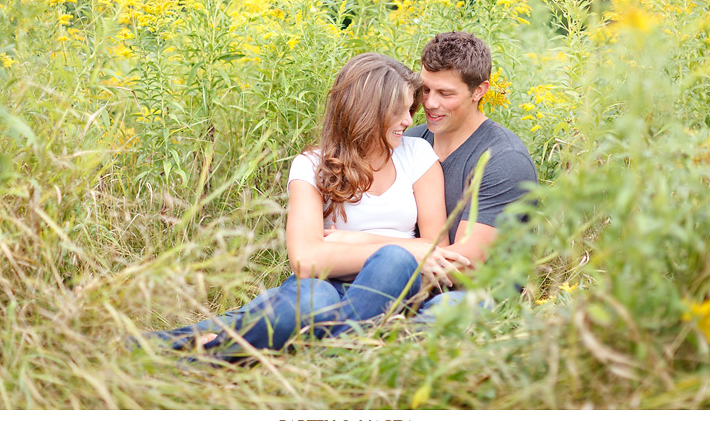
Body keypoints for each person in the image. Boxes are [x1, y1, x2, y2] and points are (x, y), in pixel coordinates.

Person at [130, 52, 470, 361]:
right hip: (324, 283)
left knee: (394, 260)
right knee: (310, 305)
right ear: (367, 110)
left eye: (409, 109)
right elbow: (306, 260)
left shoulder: (417, 156)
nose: (408, 121)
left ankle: (324, 357)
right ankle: (202, 354)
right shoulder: (312, 164)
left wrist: (347, 241)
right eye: (397, 110)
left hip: (393, 283)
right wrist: (402, 245)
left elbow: (434, 252)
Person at [299, 32, 539, 315]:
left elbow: (462, 268)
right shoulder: (408, 141)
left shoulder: (503, 159)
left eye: (445, 94)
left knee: (440, 316)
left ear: (479, 91)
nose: (429, 104)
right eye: (425, 90)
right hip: (404, 284)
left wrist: (352, 240)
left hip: (469, 296)